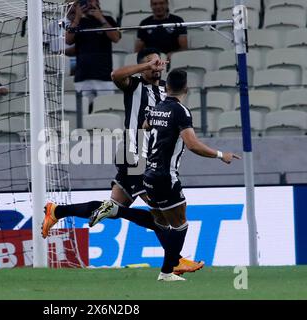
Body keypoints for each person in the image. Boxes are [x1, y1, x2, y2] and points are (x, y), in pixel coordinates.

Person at [41, 48, 204, 276]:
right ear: (142, 66)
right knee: (161, 214)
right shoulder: (135, 85)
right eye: (150, 62)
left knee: (121, 209)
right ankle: (175, 261)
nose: (156, 65)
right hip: (135, 155)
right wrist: (147, 66)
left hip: (147, 157)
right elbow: (116, 75)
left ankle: (57, 211)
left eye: (158, 61)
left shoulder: (167, 90)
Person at [96, 69, 241, 281]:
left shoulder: (156, 108)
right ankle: (169, 269)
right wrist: (221, 155)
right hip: (166, 175)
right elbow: (192, 144)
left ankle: (168, 266)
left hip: (148, 173)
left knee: (160, 222)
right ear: (187, 88)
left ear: (167, 87)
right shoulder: (181, 111)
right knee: (180, 223)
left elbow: (145, 125)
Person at [66, 0, 120, 112]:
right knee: (82, 113)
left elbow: (115, 38)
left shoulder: (108, 20)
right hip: (82, 76)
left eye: (92, 0)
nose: (89, 3)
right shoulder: (78, 22)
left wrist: (101, 18)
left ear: (98, 2)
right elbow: (68, 40)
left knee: (105, 109)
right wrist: (77, 18)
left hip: (104, 76)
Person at [135, 0, 188, 67]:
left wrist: (174, 54)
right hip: (151, 63)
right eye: (155, 4)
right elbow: (137, 50)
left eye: (161, 3)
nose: (158, 6)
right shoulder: (145, 23)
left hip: (173, 61)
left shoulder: (177, 20)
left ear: (167, 4)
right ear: (151, 6)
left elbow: (184, 48)